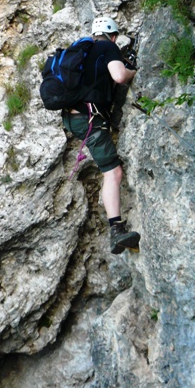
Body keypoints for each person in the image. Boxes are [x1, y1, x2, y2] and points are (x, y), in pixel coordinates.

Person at [62, 15, 140, 255]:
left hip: (75, 117)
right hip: (89, 119)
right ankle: (116, 229)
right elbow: (118, 76)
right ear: (113, 37)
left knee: (110, 171)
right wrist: (131, 71)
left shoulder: (82, 52)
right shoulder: (107, 47)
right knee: (113, 173)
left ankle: (116, 228)